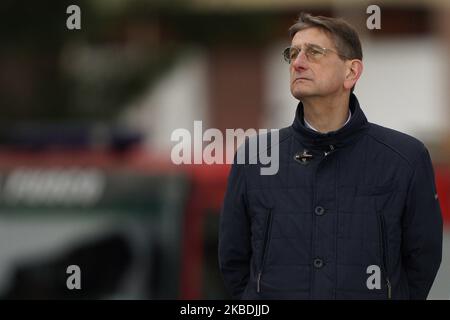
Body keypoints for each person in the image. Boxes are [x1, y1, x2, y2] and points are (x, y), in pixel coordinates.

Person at [218, 12, 443, 300]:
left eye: (314, 52)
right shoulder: (254, 158)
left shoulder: (406, 159)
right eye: (293, 53)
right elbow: (232, 262)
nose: (298, 62)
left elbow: (422, 260)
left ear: (351, 72)